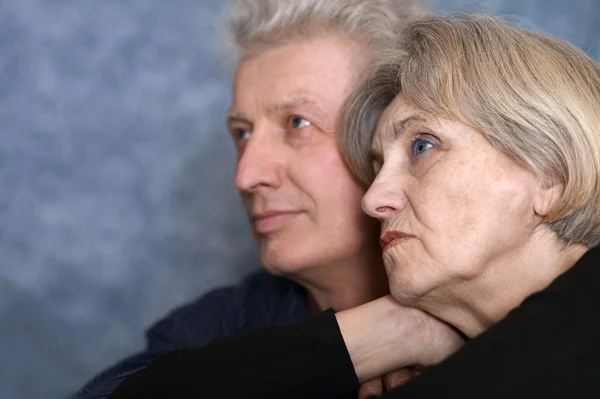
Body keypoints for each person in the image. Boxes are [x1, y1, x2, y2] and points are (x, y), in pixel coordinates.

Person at [106, 13, 600, 398]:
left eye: (423, 147)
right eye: (240, 133)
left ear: (551, 174)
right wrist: (392, 333)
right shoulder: (236, 317)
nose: (374, 197)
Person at [73, 1, 461, 398]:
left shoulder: (502, 322)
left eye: (297, 123)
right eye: (242, 133)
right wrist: (382, 336)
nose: (246, 176)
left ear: (391, 133)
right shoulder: (227, 321)